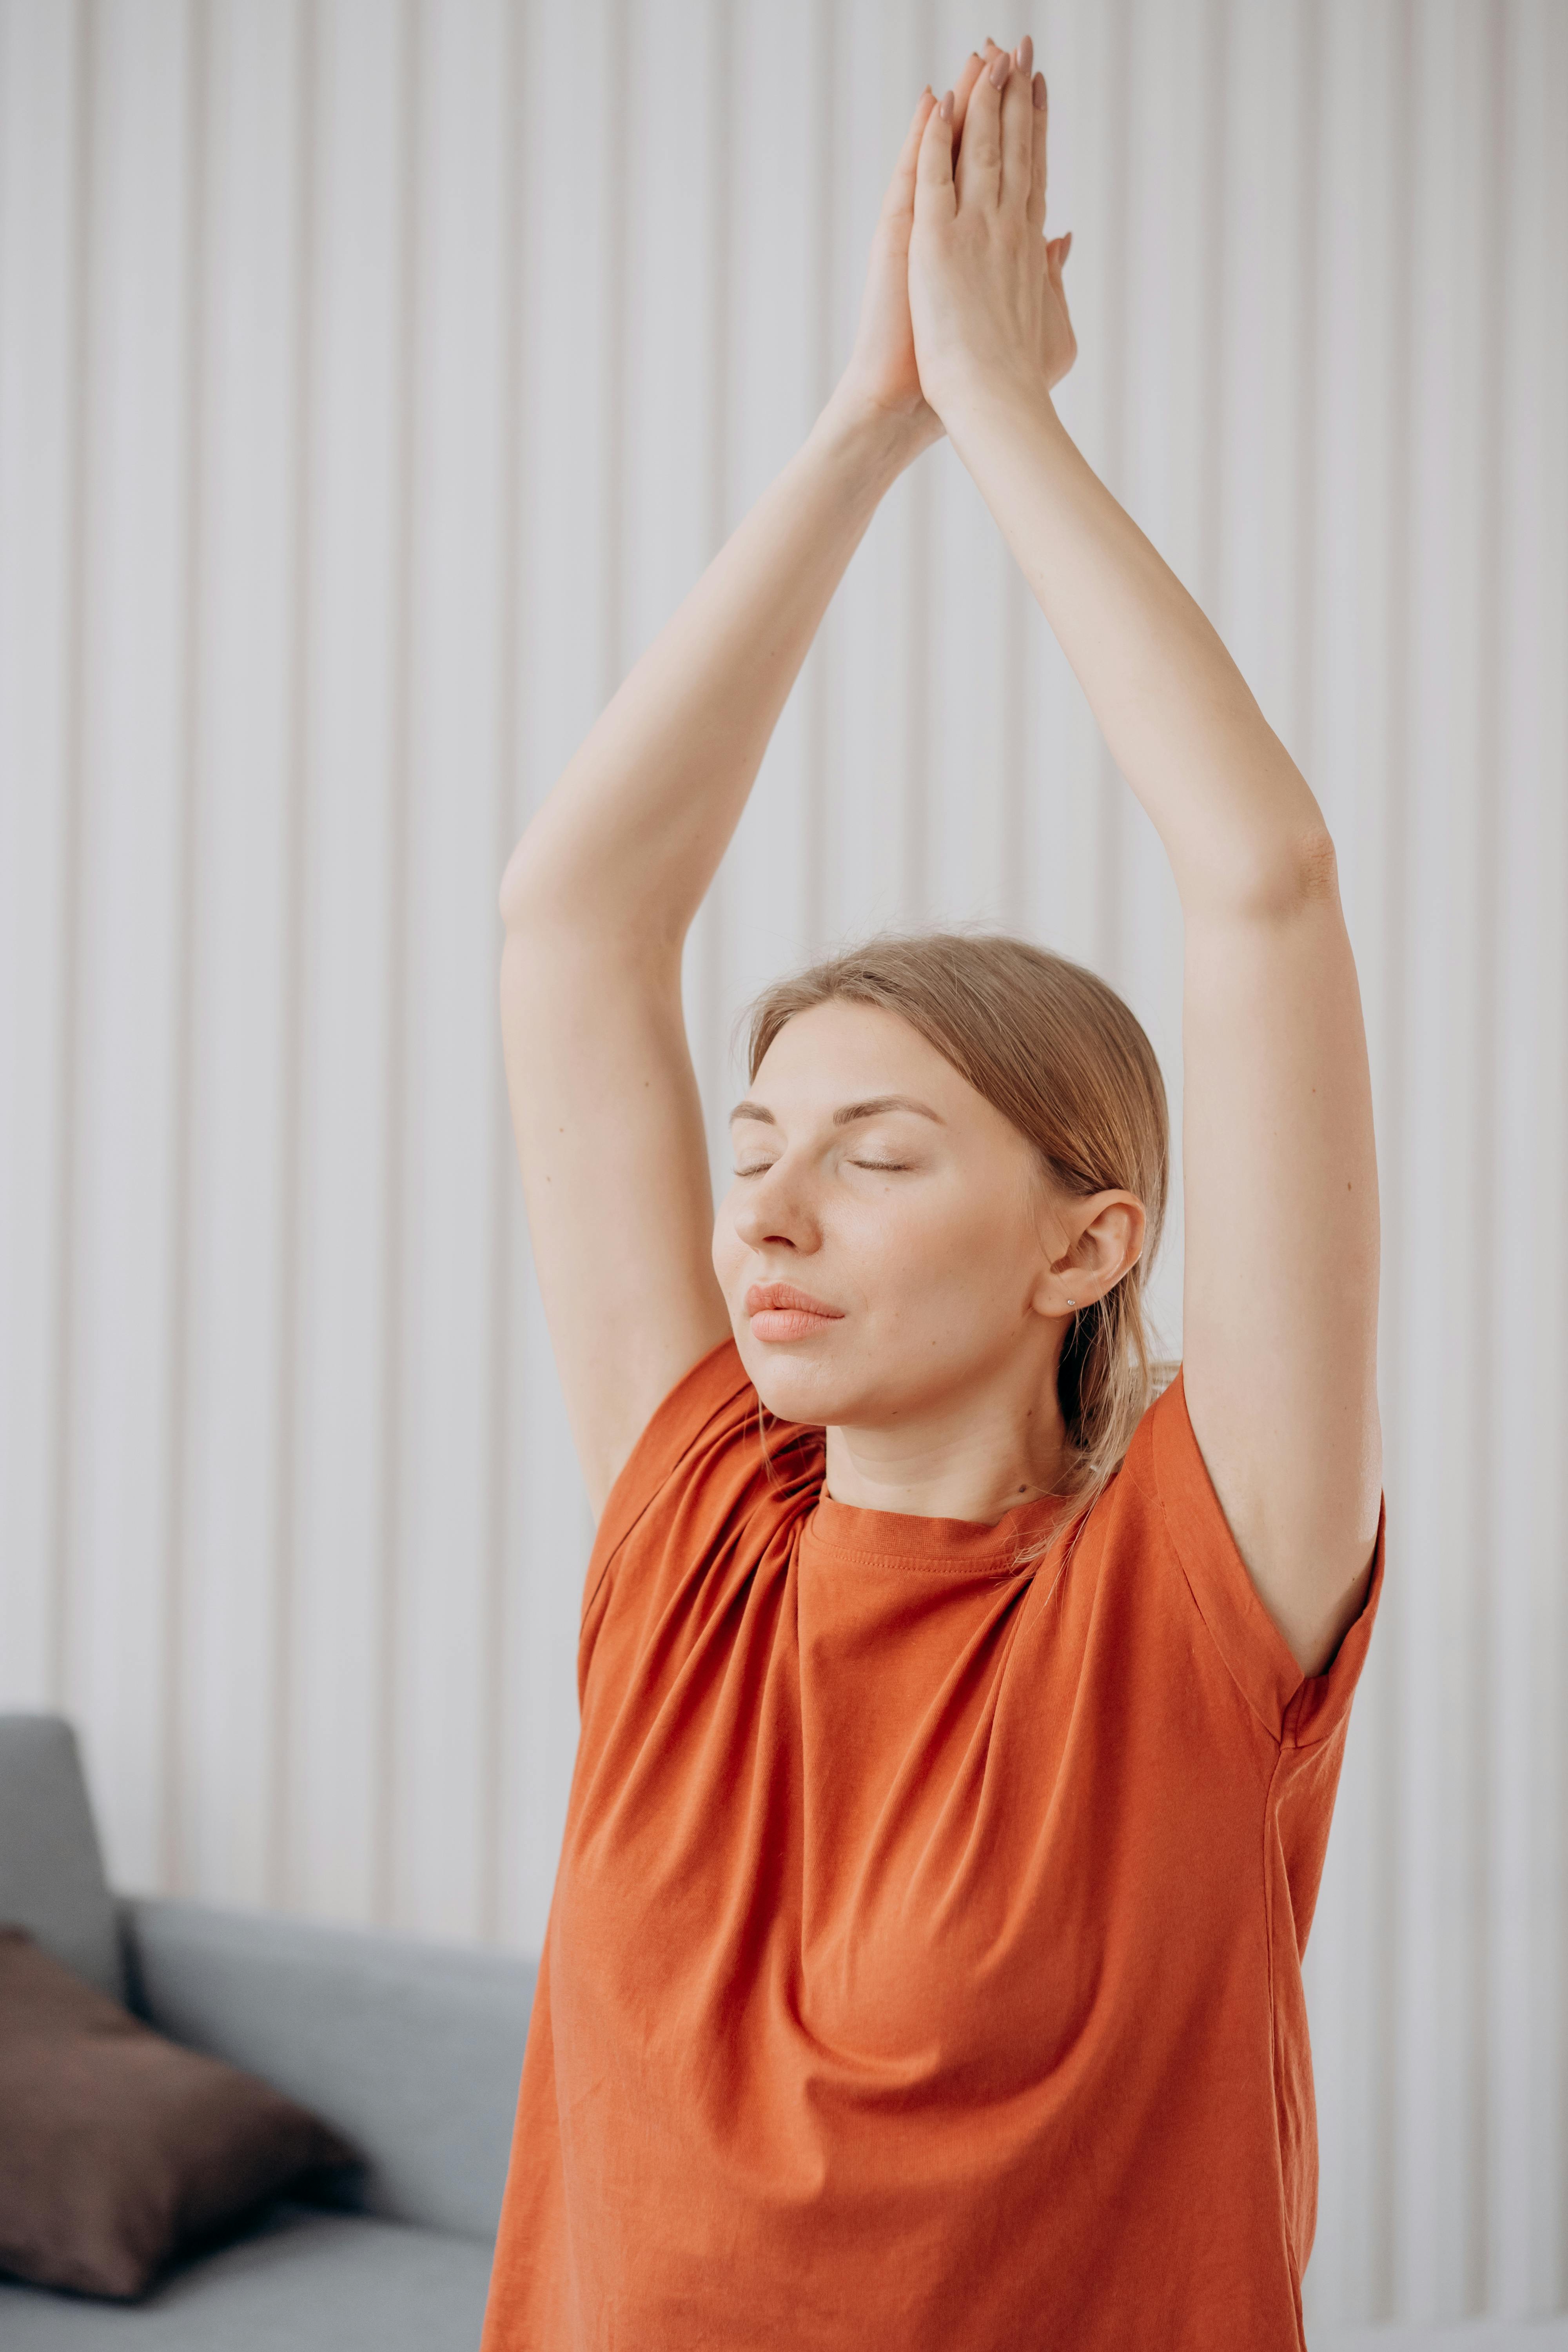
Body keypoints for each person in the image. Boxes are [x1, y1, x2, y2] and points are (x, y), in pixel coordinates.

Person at [479, 33, 1383, 2352]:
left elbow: (1265, 878)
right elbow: (577, 923)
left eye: (874, 1159)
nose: (759, 1219)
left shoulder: (1196, 1603)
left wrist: (1006, 420)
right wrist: (864, 421)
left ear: (1092, 1243)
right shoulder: (692, 1535)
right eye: (755, 1154)